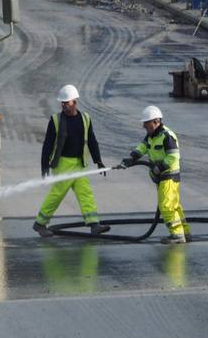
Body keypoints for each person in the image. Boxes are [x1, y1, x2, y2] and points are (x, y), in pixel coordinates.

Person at [33, 85, 109, 237]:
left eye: (66, 102)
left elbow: (92, 141)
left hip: (79, 164)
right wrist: (44, 166)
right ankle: (40, 224)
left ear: (75, 102)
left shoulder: (85, 118)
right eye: (62, 103)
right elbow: (47, 144)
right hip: (62, 164)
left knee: (85, 193)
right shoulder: (56, 120)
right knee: (57, 194)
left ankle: (94, 224)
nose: (63, 105)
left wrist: (98, 161)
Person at [121, 105, 189, 244]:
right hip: (162, 178)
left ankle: (177, 235)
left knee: (166, 207)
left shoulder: (167, 136)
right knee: (174, 205)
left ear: (155, 121)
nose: (144, 126)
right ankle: (185, 233)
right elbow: (143, 147)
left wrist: (159, 168)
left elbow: (173, 157)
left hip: (169, 176)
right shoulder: (151, 135)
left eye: (146, 123)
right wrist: (132, 157)